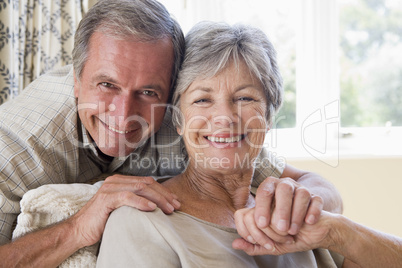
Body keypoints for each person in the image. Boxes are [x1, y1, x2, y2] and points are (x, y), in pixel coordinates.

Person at [0, 0, 342, 267]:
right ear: (76, 80)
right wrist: (77, 227)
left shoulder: (180, 118)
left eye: (148, 91)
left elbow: (312, 183)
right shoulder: (17, 148)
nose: (124, 114)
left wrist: (303, 208)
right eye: (107, 85)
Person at [96, 21, 345, 267]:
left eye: (245, 97)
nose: (225, 117)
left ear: (269, 117)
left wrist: (341, 231)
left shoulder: (292, 211)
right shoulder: (140, 221)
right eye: (203, 99)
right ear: (178, 120)